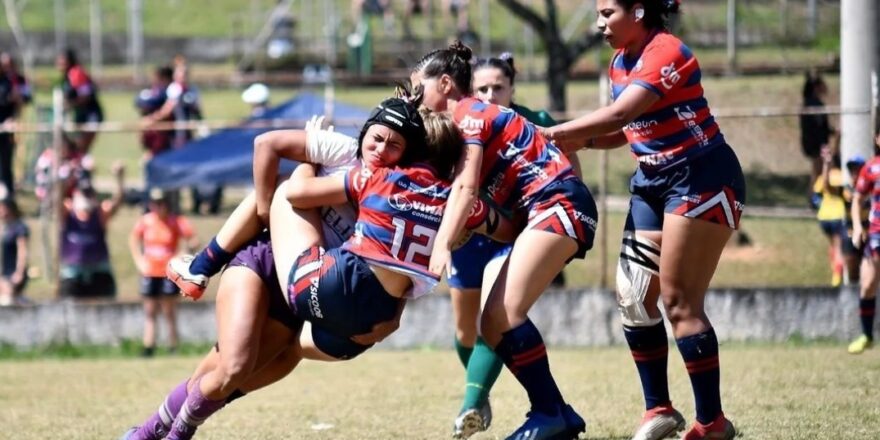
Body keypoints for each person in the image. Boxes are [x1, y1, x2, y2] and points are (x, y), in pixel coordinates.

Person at [120, 97, 500, 440]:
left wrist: (392, 314)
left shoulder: (394, 186)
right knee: (234, 366)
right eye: (377, 139)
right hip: (269, 261)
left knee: (257, 366)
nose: (382, 150)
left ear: (409, 152)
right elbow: (271, 155)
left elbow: (395, 270)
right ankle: (203, 266)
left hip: (313, 280)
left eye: (395, 145)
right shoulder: (348, 155)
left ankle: (153, 429)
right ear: (366, 132)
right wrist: (272, 205)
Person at [541, 2, 745, 439]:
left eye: (607, 12)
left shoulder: (667, 51)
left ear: (638, 11)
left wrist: (551, 134)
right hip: (652, 181)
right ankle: (659, 411)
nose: (599, 24)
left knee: (679, 304)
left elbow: (619, 114)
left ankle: (712, 423)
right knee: (633, 298)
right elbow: (623, 130)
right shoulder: (620, 61)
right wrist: (576, 142)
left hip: (702, 178)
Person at [412, 41, 596, 439]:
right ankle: (558, 413)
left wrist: (442, 244)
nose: (415, 101)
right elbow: (505, 225)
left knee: (503, 313)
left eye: (417, 90)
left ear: (445, 84)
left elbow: (466, 188)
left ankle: (549, 413)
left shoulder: (470, 114)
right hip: (546, 210)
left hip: (559, 203)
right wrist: (477, 225)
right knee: (492, 326)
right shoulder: (457, 130)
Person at [448, 52, 573, 439]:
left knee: (494, 312)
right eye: (481, 88)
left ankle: (471, 403)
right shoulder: (460, 126)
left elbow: (568, 164)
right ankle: (481, 392)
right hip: (469, 239)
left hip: (516, 232)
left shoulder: (534, 122)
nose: (489, 94)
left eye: (497, 87)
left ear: (512, 87)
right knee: (467, 330)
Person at [129, 188, 198, 357]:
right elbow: (133, 240)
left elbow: (193, 240)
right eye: (154, 204)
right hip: (150, 271)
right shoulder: (146, 222)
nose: (158, 207)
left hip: (168, 273)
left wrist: (181, 257)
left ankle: (173, 345)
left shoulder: (176, 221)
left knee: (169, 310)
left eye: (161, 203)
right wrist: (139, 260)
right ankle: (149, 345)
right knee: (150, 311)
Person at [59, 162, 124, 300]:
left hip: (99, 272)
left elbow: (117, 202)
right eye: (83, 193)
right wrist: (66, 180)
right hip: (73, 273)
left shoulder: (100, 213)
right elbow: (56, 200)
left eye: (89, 194)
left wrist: (120, 179)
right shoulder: (67, 212)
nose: (86, 197)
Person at [848, 133, 880, 355]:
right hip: (877, 232)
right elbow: (858, 199)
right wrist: (858, 227)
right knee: (867, 284)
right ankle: (867, 336)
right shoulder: (871, 168)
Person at [813, 139, 847, 287]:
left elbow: (817, 193)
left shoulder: (820, 177)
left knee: (833, 246)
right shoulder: (839, 176)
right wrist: (827, 163)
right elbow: (828, 187)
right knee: (839, 249)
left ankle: (835, 271)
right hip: (836, 216)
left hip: (823, 217)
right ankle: (836, 279)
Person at [57, 48, 103, 154]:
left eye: (62, 60)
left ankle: (81, 168)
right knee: (74, 148)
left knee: (81, 148)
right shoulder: (66, 76)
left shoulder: (76, 73)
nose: (59, 63)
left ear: (69, 61)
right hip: (80, 114)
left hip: (91, 114)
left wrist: (69, 104)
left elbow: (85, 95)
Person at [800, 71, 833, 206]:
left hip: (814, 143)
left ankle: (815, 197)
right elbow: (817, 127)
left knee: (818, 171)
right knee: (817, 171)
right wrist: (822, 144)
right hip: (815, 144)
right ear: (816, 87)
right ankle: (813, 199)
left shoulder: (810, 103)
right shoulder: (813, 104)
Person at [136, 66, 175, 161]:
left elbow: (167, 111)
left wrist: (151, 119)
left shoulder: (171, 91)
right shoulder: (154, 91)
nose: (154, 80)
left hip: (166, 134)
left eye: (157, 78)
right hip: (154, 134)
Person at [0, 198, 28, 306]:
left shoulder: (19, 227)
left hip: (13, 272)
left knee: (8, 301)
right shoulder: (3, 227)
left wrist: (19, 272)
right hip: (3, 271)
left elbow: (22, 251)